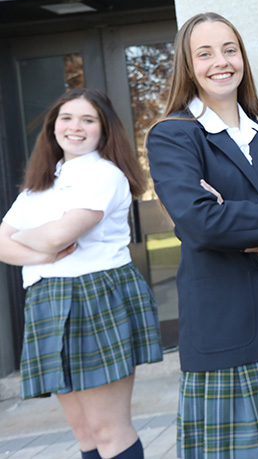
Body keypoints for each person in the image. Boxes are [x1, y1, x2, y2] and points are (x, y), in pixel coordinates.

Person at [146, 12, 258, 459]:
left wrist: (247, 229)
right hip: (229, 331)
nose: (220, 62)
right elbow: (201, 225)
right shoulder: (173, 137)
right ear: (188, 66)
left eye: (229, 49)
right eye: (204, 53)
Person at [0, 87, 162, 459]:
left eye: (88, 120)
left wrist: (31, 240)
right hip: (47, 298)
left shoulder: (104, 175)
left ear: (104, 130)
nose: (75, 127)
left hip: (95, 295)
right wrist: (43, 253)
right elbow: (3, 243)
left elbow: (60, 234)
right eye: (67, 118)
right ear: (53, 126)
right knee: (84, 431)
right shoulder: (41, 181)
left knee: (108, 430)